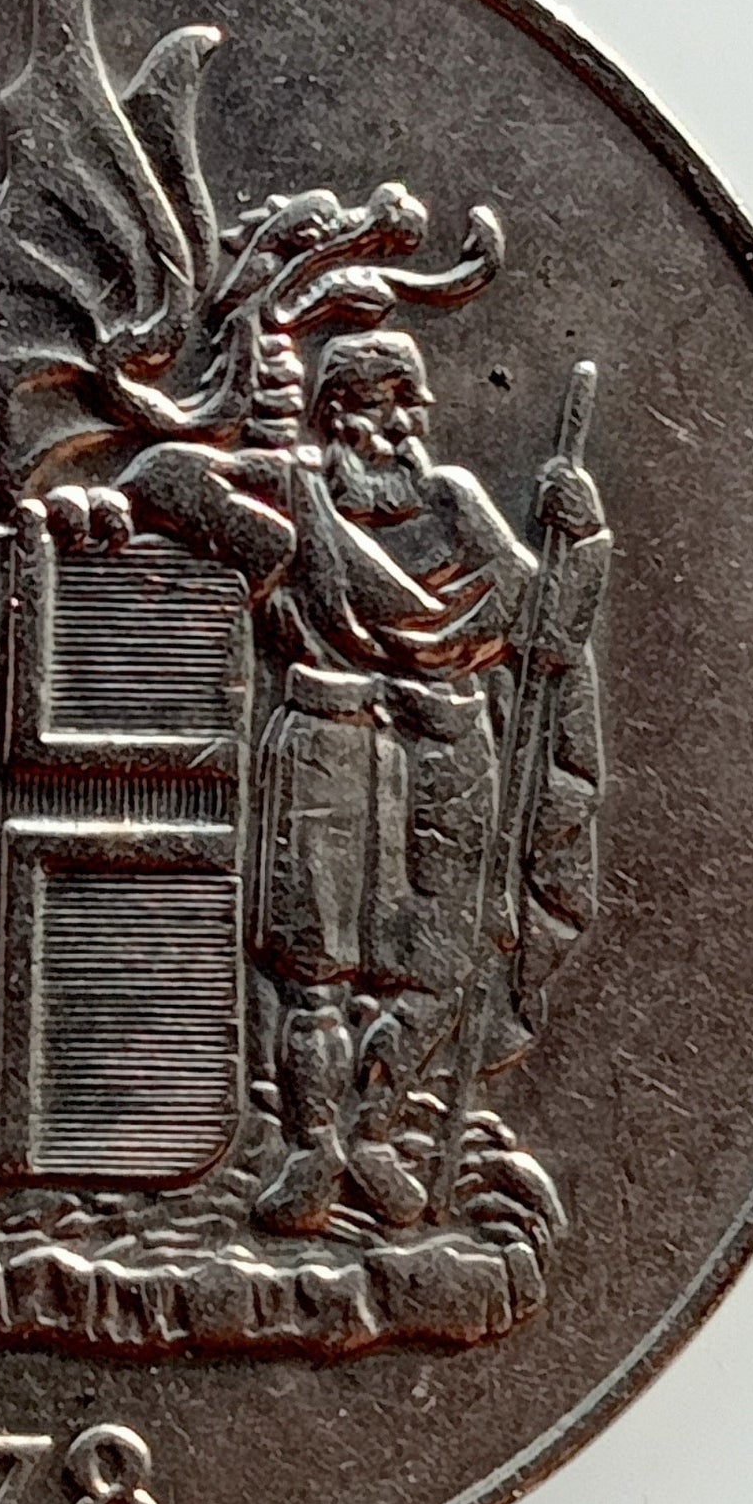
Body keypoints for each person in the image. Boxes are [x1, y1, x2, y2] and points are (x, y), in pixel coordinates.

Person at [118, 329, 609, 1232]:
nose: (412, 419)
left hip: (445, 755)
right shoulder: (293, 487)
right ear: (339, 412)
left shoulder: (453, 502)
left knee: (440, 965)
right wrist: (256, 520)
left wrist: (583, 537)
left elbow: (541, 627)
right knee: (316, 973)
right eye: (392, 400)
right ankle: (313, 1150)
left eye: (413, 401)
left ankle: (373, 1135)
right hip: (329, 742)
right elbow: (155, 477)